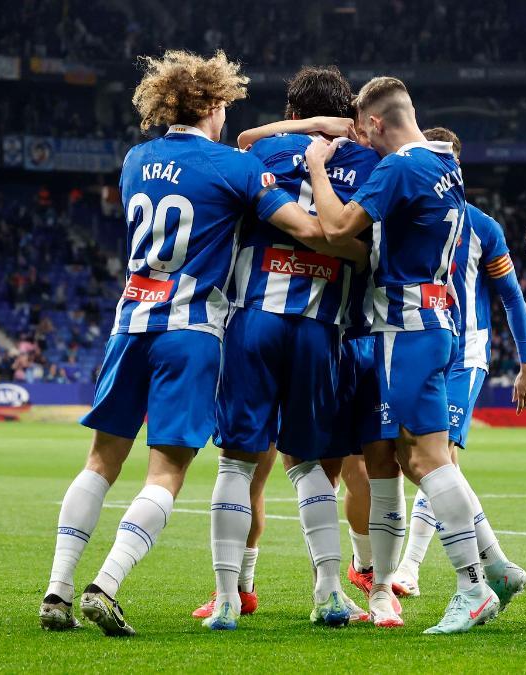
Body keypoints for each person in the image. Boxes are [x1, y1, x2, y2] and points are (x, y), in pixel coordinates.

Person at [37, 50, 325, 637]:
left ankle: (57, 590)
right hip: (190, 330)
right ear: (216, 103)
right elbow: (307, 228)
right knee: (165, 472)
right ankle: (105, 585)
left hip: (130, 321)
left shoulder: (134, 159)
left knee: (100, 462)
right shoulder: (232, 167)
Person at [306, 75, 500, 634]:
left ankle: (472, 584)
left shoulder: (399, 167)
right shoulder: (445, 162)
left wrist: (320, 166)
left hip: (406, 323)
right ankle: (486, 572)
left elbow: (339, 225)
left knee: (423, 460)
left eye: (364, 131)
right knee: (418, 457)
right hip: (439, 320)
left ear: (374, 124)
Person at [201, 65, 373, 631]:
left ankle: (227, 597)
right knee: (310, 469)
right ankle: (327, 591)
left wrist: (262, 135)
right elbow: (372, 249)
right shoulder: (370, 162)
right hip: (322, 329)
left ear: (292, 112)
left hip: (253, 320)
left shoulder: (258, 158)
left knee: (236, 460)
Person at [392, 127, 526, 614]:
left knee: (440, 457)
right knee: (421, 458)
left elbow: (511, 297)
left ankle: (410, 569)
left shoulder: (482, 226)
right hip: (420, 341)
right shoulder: (409, 218)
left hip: (466, 352)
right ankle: (499, 567)